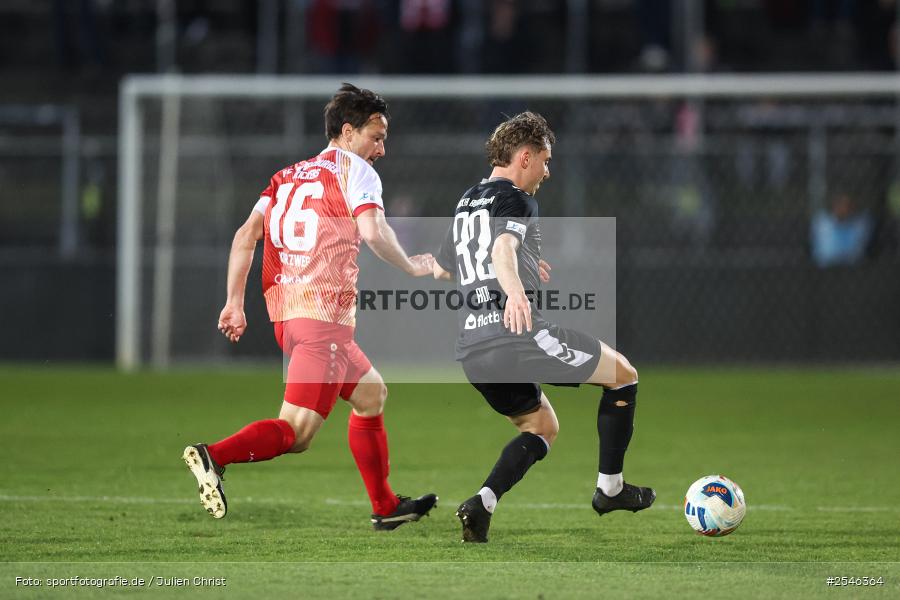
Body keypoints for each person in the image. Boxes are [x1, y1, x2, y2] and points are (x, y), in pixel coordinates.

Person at [183, 83, 438, 530]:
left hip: (289, 317)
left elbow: (245, 236)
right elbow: (374, 232)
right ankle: (213, 456)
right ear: (347, 132)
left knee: (371, 394)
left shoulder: (286, 176)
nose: (381, 149)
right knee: (297, 433)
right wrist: (411, 265)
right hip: (323, 321)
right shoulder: (356, 171)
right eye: (376, 137)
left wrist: (234, 303)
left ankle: (385, 507)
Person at [432, 112, 655, 543]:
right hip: (515, 336)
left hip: (474, 350)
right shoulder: (517, 198)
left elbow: (444, 269)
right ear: (525, 157)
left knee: (541, 427)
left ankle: (482, 504)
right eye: (546, 161)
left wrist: (525, 263)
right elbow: (501, 249)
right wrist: (516, 291)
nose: (547, 172)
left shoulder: (466, 201)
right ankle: (610, 490)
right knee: (624, 376)